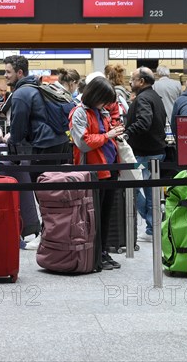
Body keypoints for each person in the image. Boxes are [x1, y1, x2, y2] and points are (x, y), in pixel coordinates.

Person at [70, 76, 124, 270]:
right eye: (104, 100)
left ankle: (102, 251)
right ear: (96, 95)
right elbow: (82, 143)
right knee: (93, 216)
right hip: (92, 171)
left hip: (110, 169)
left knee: (106, 214)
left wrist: (114, 133)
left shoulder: (101, 112)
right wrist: (107, 135)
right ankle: (93, 254)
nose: (106, 104)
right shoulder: (78, 113)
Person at [3, 55, 72, 183]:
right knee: (58, 189)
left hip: (44, 146)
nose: (5, 75)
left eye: (8, 72)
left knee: (41, 189)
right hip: (61, 142)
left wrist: (10, 139)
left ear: (19, 72)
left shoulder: (21, 93)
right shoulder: (38, 87)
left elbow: (18, 129)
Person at [123, 67, 167, 242]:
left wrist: (127, 133)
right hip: (156, 153)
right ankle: (153, 227)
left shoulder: (143, 99)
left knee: (131, 186)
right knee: (150, 190)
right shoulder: (155, 97)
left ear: (141, 81)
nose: (130, 82)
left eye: (133, 79)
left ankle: (150, 226)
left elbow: (144, 121)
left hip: (143, 155)